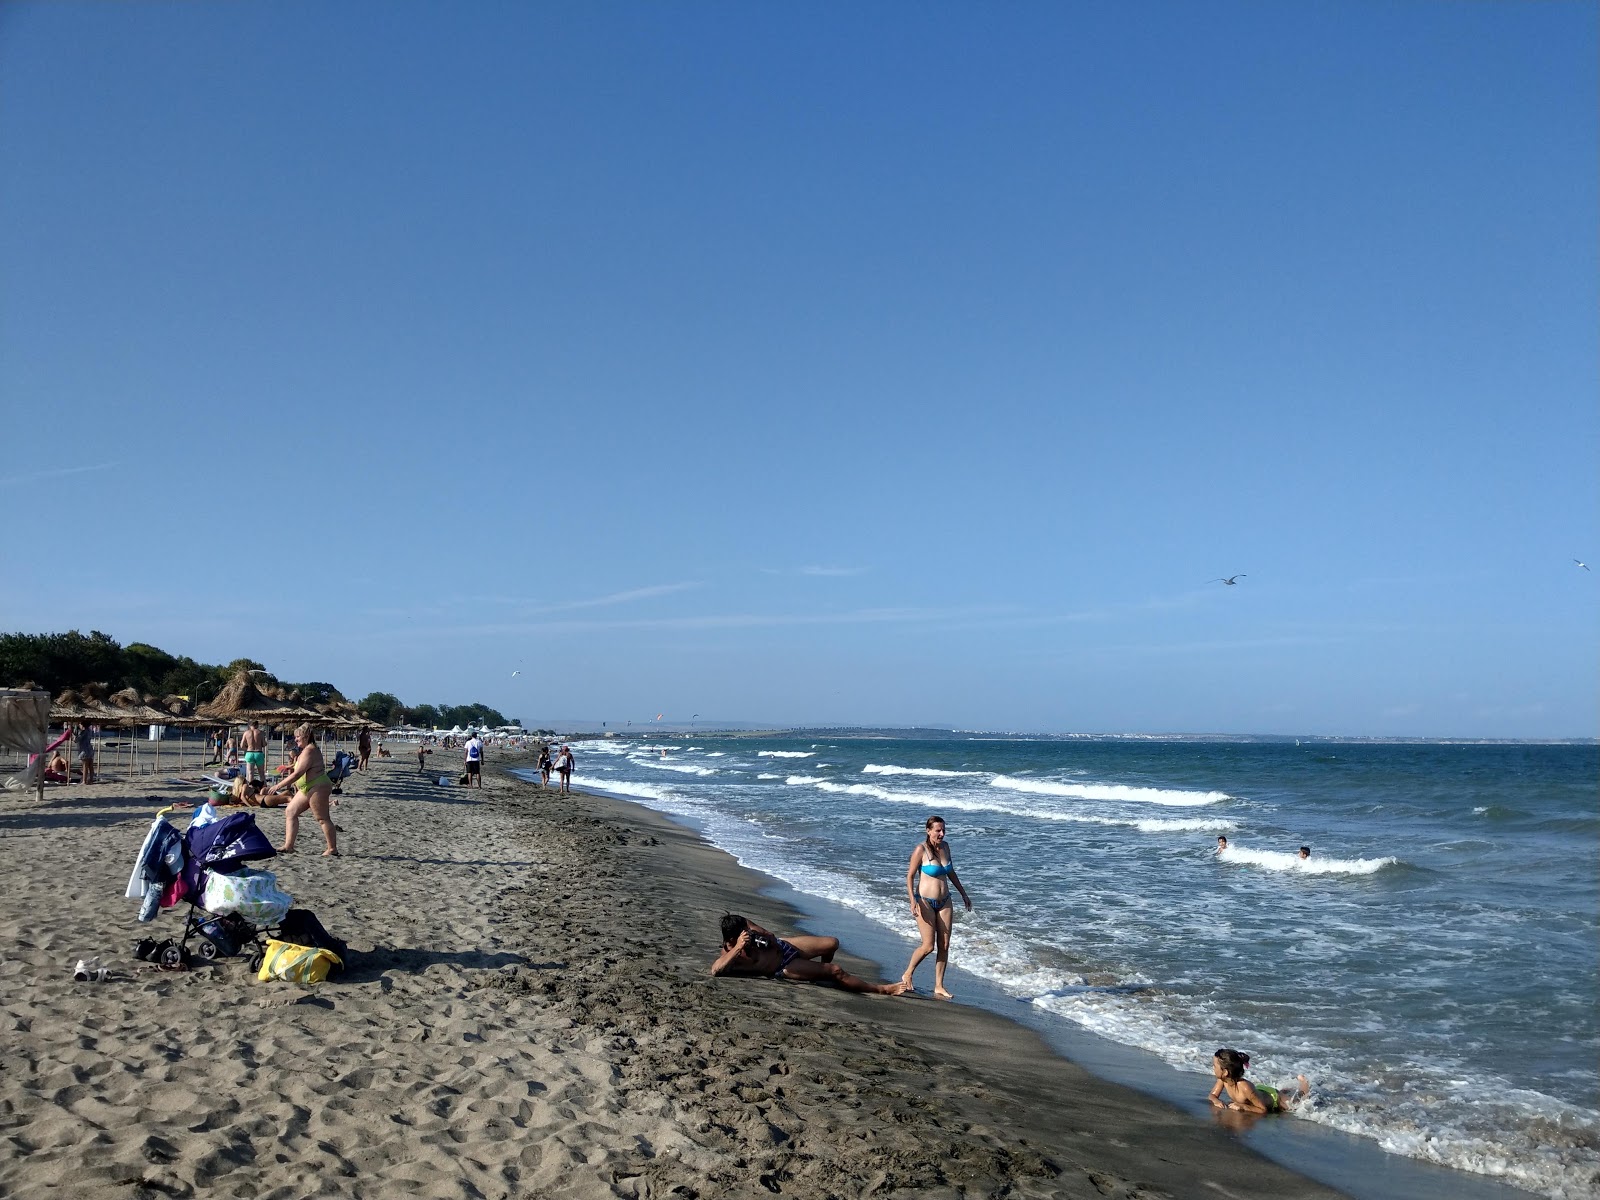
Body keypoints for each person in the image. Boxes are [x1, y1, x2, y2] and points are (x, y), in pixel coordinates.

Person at [712, 914, 911, 995]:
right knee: (836, 969)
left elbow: (769, 934)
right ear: (734, 937)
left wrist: (762, 936)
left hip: (785, 945)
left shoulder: (746, 927)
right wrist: (739, 946)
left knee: (832, 943)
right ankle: (882, 989)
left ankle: (825, 978)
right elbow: (716, 970)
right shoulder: (732, 953)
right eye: (743, 933)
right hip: (783, 966)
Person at [901, 815, 973, 999]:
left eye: (943, 830)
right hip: (924, 901)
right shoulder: (921, 850)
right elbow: (909, 877)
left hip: (945, 901)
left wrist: (963, 894)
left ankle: (939, 985)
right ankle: (908, 973)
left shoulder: (946, 847)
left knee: (945, 944)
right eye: (937, 830)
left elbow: (950, 872)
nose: (941, 834)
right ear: (928, 831)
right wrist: (912, 900)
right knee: (928, 946)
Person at [265, 724, 338, 856]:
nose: (296, 739)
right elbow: (303, 765)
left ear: (306, 736)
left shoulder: (310, 750)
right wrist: (290, 766)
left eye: (298, 736)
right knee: (290, 811)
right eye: (295, 737)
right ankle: (288, 846)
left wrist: (278, 786)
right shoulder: (305, 750)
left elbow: (298, 774)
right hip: (307, 787)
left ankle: (332, 849)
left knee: (322, 818)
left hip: (318, 786)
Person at [1207, 1048, 1309, 1114]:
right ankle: (1287, 1089)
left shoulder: (1244, 1087)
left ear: (1225, 1072)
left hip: (1274, 1099)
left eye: (1215, 1066)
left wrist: (1243, 1107)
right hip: (1259, 1092)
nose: (1213, 1067)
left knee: (1296, 1103)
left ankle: (1304, 1084)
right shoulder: (1223, 1080)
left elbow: (1262, 1110)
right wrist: (1216, 1101)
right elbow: (1212, 1095)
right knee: (1280, 1093)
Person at [239, 721, 267, 785]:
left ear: (249, 725)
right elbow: (264, 744)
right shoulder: (261, 733)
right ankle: (264, 788)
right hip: (258, 753)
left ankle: (250, 789)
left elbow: (242, 745)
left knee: (250, 773)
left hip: (249, 753)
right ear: (257, 725)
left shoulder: (246, 733)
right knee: (261, 773)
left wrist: (248, 745)